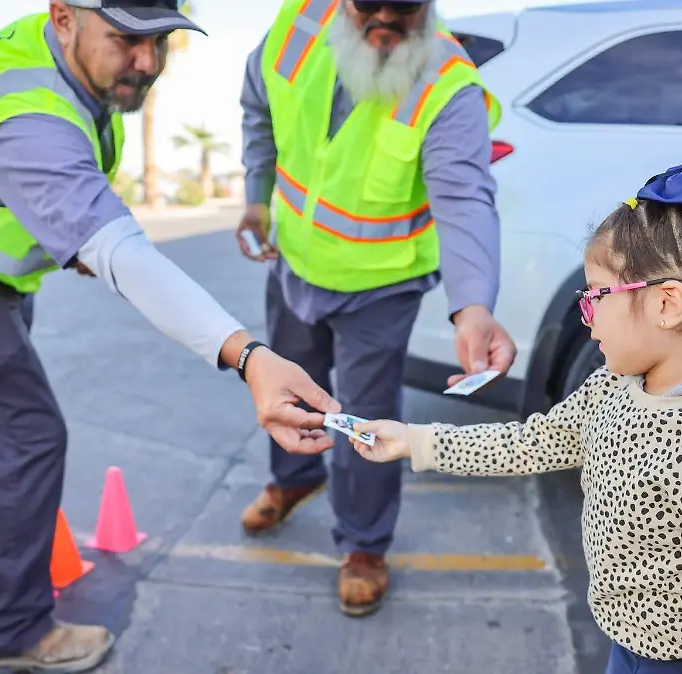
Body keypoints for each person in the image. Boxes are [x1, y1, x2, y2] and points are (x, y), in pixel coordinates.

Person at [0, 2, 342, 673]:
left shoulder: (53, 52)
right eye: (125, 40)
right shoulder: (32, 116)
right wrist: (247, 355)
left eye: (160, 41)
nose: (147, 63)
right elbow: (124, 253)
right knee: (27, 433)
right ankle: (10, 629)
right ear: (65, 17)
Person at [345, 152, 682, 674]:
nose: (588, 323)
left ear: (667, 304)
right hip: (620, 645)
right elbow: (532, 443)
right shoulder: (612, 386)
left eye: (595, 299)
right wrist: (415, 440)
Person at [235, 0, 516, 617]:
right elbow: (260, 110)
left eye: (405, 6)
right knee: (287, 388)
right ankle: (294, 480)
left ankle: (364, 544)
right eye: (370, 3)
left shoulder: (449, 86)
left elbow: (464, 197)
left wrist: (473, 307)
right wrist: (256, 196)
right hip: (294, 263)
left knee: (363, 417)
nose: (385, 17)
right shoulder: (299, 22)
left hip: (381, 284)